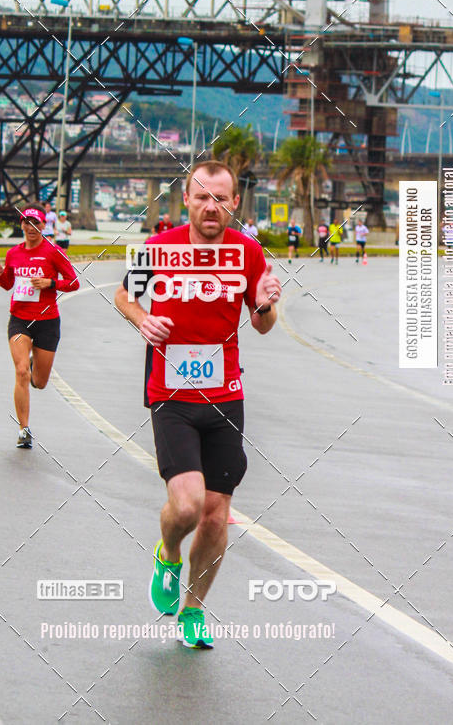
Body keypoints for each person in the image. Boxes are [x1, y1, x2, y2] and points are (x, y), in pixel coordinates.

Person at [114, 160, 281, 649]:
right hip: (171, 395)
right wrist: (142, 319)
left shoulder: (248, 253)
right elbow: (125, 295)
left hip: (226, 396)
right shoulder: (160, 247)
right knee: (187, 506)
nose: (211, 206)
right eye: (202, 196)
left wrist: (266, 304)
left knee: (214, 514)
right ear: (186, 200)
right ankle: (167, 553)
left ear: (235, 203)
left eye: (221, 198)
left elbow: (263, 323)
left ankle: (193, 609)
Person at [0, 204, 79, 448]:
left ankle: (33, 366)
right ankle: (24, 430)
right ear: (21, 224)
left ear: (43, 225)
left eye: (36, 223)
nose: (31, 227)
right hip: (20, 319)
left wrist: (50, 283)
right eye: (26, 222)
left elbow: (73, 283)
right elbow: (8, 284)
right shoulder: (13, 254)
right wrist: (0, 274)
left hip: (47, 321)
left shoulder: (54, 252)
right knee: (21, 371)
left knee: (39, 382)